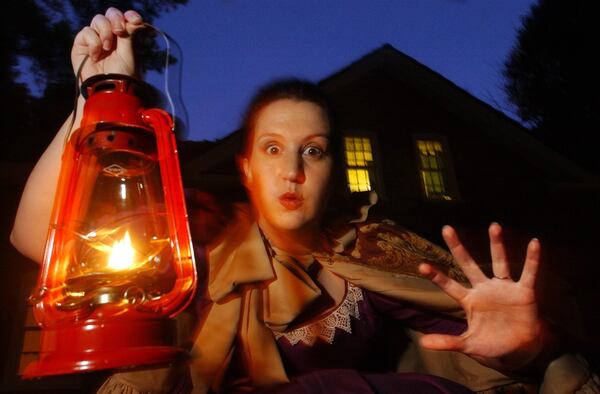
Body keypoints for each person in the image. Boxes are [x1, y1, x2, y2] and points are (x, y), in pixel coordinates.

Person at [10, 8, 596, 394]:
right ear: (245, 167)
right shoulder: (197, 245)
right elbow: (38, 236)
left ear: (335, 169)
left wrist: (529, 346)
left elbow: (467, 348)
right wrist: (97, 95)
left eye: (313, 152)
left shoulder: (380, 248)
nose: (292, 170)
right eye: (272, 149)